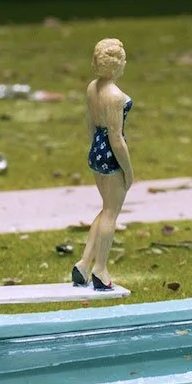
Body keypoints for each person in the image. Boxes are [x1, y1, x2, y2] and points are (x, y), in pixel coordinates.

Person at [72, 37, 133, 291]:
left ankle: (84, 263)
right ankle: (100, 268)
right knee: (111, 212)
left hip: (95, 151)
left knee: (104, 208)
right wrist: (128, 171)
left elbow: (89, 123)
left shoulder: (92, 88)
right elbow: (116, 138)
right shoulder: (115, 96)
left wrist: (93, 150)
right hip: (110, 155)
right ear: (117, 64)